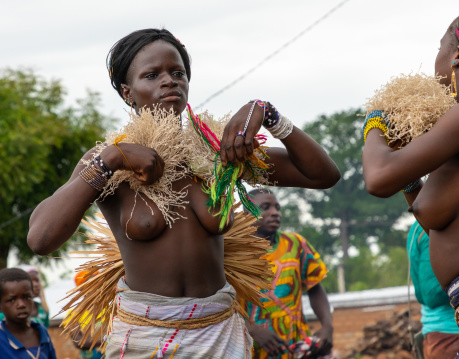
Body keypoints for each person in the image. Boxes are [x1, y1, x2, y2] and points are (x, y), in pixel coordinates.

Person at [26, 28, 341, 358]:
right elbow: (41, 239)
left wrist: (268, 113)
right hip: (144, 336)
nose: (169, 81)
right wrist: (111, 159)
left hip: (220, 332)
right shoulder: (109, 162)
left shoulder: (216, 153)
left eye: (178, 73)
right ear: (127, 91)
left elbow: (323, 175)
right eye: (152, 75)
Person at [362, 4, 459, 357]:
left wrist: (375, 123)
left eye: (439, 49)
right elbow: (434, 218)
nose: (435, 62)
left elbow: (378, 179)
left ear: (456, 55)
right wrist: (409, 177)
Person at [243, 189, 333, 359]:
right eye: (265, 207)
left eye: (277, 207)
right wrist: (252, 330)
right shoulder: (233, 254)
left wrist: (328, 325)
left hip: (296, 348)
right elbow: (223, 305)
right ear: (247, 213)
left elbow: (315, 288)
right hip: (250, 351)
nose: (275, 213)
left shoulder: (296, 244)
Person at [407, 221, 459, 359]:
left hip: (442, 338)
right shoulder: (431, 228)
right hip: (450, 338)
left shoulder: (420, 227)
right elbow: (431, 294)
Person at [0, 268, 57, 359]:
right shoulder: (2, 340)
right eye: (12, 300)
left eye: (27, 297)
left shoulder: (41, 332)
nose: (21, 304)